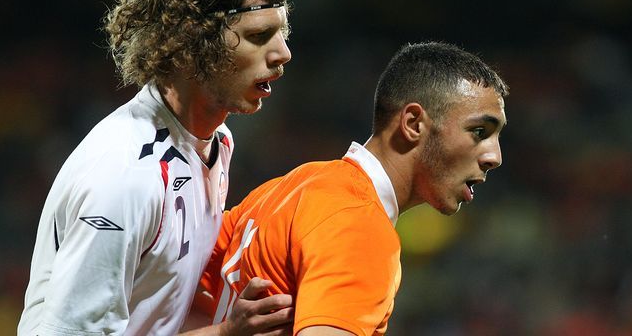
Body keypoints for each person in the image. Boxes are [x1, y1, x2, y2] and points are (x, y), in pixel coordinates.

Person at [18, 0, 296, 334]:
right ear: (193, 43)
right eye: (259, 36)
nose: (283, 53)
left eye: (282, 32)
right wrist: (227, 333)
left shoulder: (215, 142)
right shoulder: (126, 176)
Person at [189, 41, 509, 335]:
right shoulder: (360, 226)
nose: (494, 157)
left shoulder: (289, 186)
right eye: (479, 131)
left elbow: (171, 295)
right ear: (413, 124)